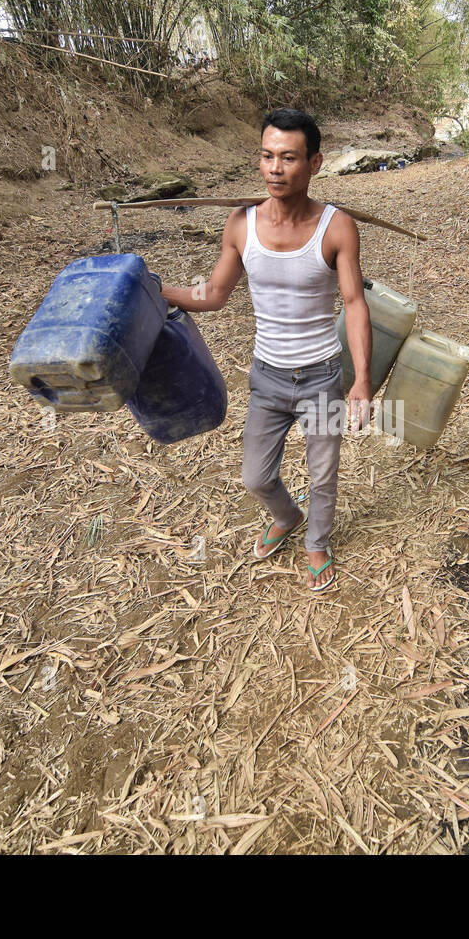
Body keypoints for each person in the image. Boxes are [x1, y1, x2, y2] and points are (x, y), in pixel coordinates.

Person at [160, 108, 372, 592]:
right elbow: (212, 295)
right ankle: (287, 515)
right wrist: (150, 288)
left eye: (289, 158)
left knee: (323, 473)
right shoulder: (241, 224)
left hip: (321, 375)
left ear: (315, 163)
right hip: (267, 376)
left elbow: (355, 303)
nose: (275, 168)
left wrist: (360, 380)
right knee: (255, 477)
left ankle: (316, 541)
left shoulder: (336, 228)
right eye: (267, 156)